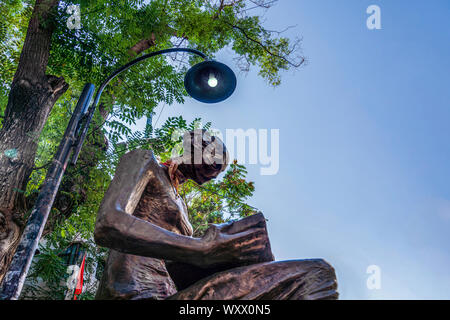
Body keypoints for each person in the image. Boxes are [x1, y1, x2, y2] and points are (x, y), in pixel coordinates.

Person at [94, 130, 338, 300]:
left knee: (303, 281)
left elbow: (179, 261)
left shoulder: (182, 202)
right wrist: (202, 249)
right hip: (132, 291)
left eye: (218, 171)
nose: (214, 176)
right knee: (314, 275)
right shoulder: (145, 162)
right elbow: (108, 223)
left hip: (171, 291)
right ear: (195, 150)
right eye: (213, 165)